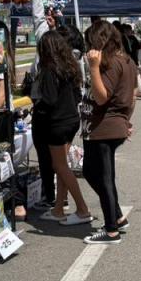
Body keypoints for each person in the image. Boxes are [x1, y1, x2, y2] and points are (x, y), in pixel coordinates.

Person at [80, 21, 135, 244]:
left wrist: (94, 67)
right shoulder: (126, 60)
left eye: (89, 42)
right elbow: (132, 96)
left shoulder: (112, 63)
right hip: (107, 126)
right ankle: (117, 216)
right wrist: (127, 120)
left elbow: (102, 97)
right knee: (94, 173)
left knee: (103, 178)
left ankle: (111, 229)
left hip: (104, 127)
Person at [31, 30, 93, 225]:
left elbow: (49, 100)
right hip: (71, 119)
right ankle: (58, 209)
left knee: (60, 166)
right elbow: (77, 95)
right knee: (63, 165)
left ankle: (82, 209)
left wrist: (37, 108)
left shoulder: (49, 70)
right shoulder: (70, 66)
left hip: (57, 123)